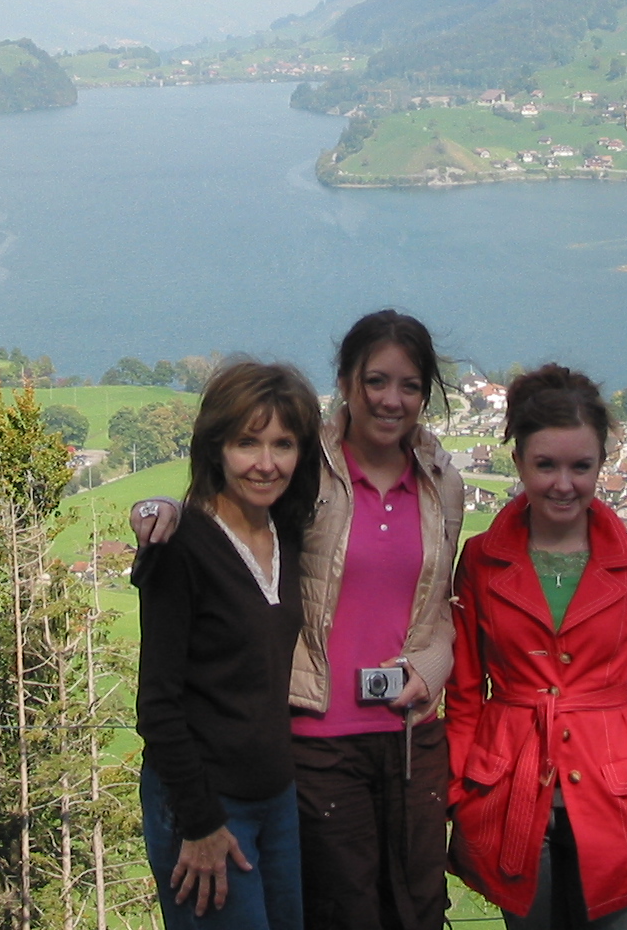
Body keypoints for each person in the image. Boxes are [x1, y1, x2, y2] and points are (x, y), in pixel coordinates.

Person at [132, 311, 465, 930]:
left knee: (409, 912)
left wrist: (431, 665)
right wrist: (156, 509)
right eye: (376, 381)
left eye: (410, 385)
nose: (267, 462)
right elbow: (158, 702)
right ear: (345, 382)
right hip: (273, 767)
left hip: (342, 766)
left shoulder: (433, 489)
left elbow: (440, 606)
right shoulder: (260, 510)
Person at [446, 365, 627, 930]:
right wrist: (461, 791)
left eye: (581, 467)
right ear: (518, 464)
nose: (564, 483)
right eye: (546, 465)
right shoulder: (482, 562)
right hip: (508, 792)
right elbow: (463, 694)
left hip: (622, 796)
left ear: (601, 464)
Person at [135, 357, 323, 930]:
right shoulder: (181, 547)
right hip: (203, 806)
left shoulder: (284, 533)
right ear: (216, 447)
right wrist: (199, 823)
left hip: (276, 799)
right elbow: (157, 706)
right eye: (248, 443)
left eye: (283, 444)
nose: (266, 464)